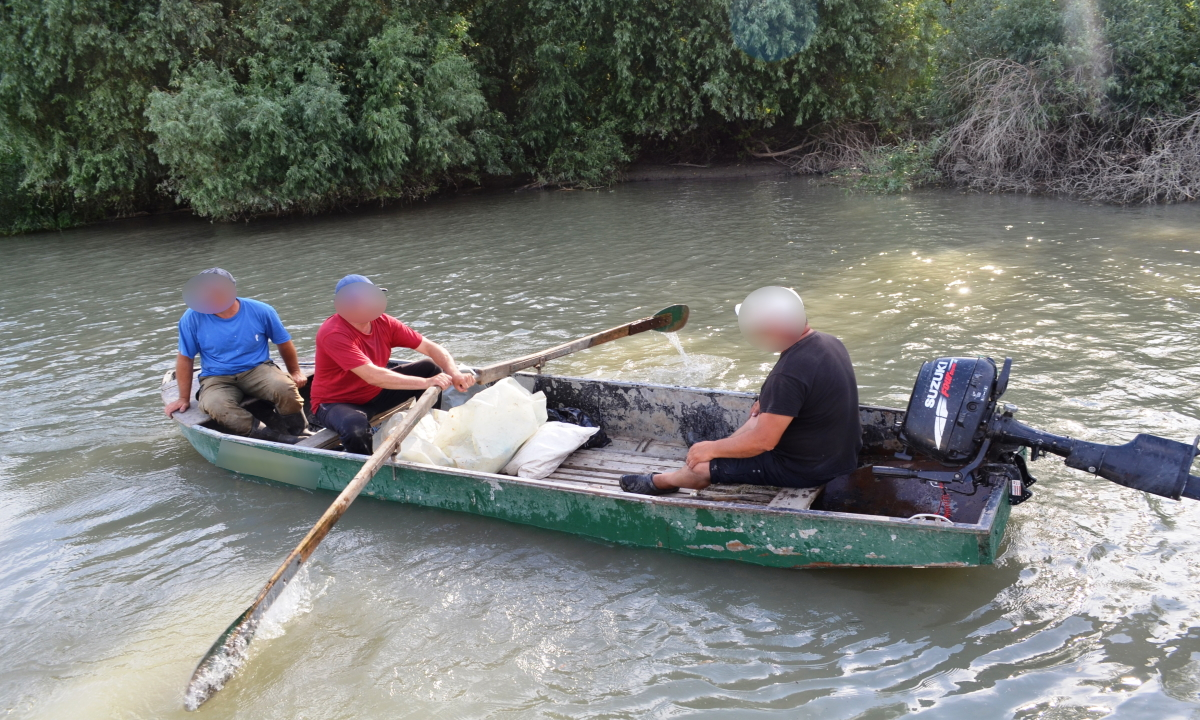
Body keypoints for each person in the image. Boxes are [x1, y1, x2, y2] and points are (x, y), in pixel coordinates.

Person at [620, 286, 861, 494]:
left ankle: (665, 481)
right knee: (757, 415)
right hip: (840, 456)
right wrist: (767, 401)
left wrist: (711, 448)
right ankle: (714, 451)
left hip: (806, 470)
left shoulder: (787, 375)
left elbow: (764, 441)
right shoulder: (830, 342)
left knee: (701, 467)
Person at [310, 274, 477, 454]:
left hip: (375, 393)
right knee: (355, 429)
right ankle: (366, 468)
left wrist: (454, 373)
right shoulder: (333, 333)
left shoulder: (384, 322)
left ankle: (430, 432)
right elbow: (372, 375)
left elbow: (430, 348)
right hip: (337, 402)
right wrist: (426, 383)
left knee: (430, 368)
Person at [164, 268, 310, 443]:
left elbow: (284, 343)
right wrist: (183, 398)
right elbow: (185, 358)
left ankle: (300, 430)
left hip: (257, 369)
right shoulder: (191, 318)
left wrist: (295, 372)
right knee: (216, 405)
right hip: (217, 377)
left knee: (285, 388)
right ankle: (273, 438)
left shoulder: (261, 310)